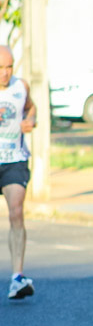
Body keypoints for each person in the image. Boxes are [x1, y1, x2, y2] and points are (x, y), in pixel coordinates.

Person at [0, 44, 37, 300]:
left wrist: (30, 121)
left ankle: (17, 277)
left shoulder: (20, 86)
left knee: (16, 211)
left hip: (14, 160)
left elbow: (30, 108)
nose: (5, 73)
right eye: (0, 68)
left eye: (9, 67)